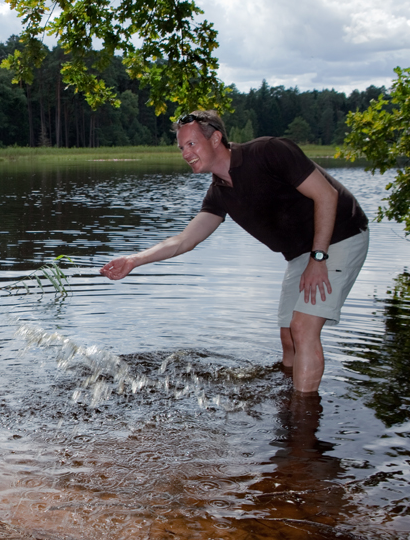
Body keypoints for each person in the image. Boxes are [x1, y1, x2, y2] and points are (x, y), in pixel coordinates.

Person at [100, 111, 369, 393]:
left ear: (216, 138)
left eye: (191, 144)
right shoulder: (219, 192)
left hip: (340, 237)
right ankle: (290, 402)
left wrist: (318, 258)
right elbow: (184, 240)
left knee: (302, 329)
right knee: (289, 337)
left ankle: (303, 425)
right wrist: (134, 259)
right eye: (181, 148)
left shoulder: (269, 152)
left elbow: (327, 195)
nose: (185, 153)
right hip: (302, 253)